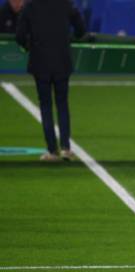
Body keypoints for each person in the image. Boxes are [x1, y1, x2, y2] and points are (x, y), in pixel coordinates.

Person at [16, 0, 86, 161]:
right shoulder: (66, 3)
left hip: (40, 61)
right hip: (62, 60)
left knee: (45, 105)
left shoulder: (31, 5)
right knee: (62, 103)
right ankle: (66, 148)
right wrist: (72, 38)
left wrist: (28, 46)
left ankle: (52, 150)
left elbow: (19, 36)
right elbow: (81, 30)